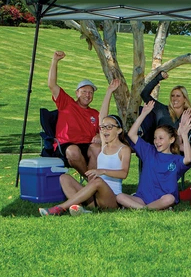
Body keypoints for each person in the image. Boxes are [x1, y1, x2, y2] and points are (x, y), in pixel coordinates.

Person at [40, 79, 132, 217]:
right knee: (64, 178)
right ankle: (81, 209)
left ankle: (60, 208)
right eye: (103, 127)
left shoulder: (124, 149)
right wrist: (109, 92)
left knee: (97, 181)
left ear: (119, 130)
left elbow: (124, 174)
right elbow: (102, 116)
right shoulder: (104, 145)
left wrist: (101, 171)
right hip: (94, 196)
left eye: (110, 127)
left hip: (110, 198)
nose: (105, 130)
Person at [117, 100, 191, 210]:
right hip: (142, 198)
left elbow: (188, 159)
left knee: (170, 199)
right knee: (119, 196)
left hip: (162, 199)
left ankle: (143, 208)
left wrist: (185, 135)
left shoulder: (175, 159)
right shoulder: (149, 151)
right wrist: (143, 114)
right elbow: (131, 134)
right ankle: (146, 209)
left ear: (171, 140)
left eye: (161, 138)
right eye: (155, 138)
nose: (157, 141)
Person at [47, 50, 100, 178]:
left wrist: (99, 135)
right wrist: (55, 61)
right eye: (84, 91)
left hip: (87, 145)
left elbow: (103, 131)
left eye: (91, 92)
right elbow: (52, 85)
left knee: (98, 148)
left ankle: (91, 185)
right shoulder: (67, 103)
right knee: (73, 151)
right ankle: (91, 182)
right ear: (77, 93)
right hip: (67, 145)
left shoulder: (95, 113)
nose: (87, 95)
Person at [139, 70, 191, 150]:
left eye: (178, 96)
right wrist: (158, 78)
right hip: (161, 150)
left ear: (184, 99)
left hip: (180, 151)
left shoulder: (188, 114)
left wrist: (187, 138)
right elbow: (144, 94)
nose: (174, 98)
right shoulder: (162, 110)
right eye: (172, 96)